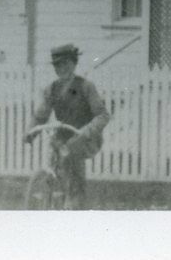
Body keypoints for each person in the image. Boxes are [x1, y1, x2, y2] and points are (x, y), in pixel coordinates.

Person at [25, 43, 110, 210]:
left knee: (71, 156)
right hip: (64, 133)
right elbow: (41, 114)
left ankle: (74, 202)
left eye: (65, 64)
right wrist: (30, 132)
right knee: (54, 153)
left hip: (85, 136)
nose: (61, 68)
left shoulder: (85, 86)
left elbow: (103, 115)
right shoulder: (52, 89)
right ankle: (50, 198)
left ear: (74, 63)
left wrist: (86, 131)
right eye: (57, 65)